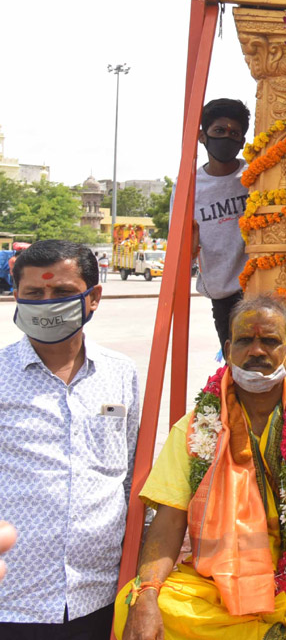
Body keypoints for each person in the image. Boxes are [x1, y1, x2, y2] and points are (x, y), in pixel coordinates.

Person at [116, 295, 286, 640]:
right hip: (223, 574)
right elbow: (169, 520)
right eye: (246, 340)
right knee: (133, 602)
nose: (256, 351)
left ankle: (247, 633)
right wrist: (149, 593)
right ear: (228, 348)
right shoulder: (197, 426)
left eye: (269, 341)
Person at [0, 241, 140, 640]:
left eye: (62, 293)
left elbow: (129, 474)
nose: (47, 302)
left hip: (96, 598)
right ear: (16, 296)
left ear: (93, 297)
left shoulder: (120, 374)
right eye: (34, 294)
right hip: (14, 600)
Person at [179, 98, 251, 348]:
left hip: (259, 286)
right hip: (223, 295)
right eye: (219, 131)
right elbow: (181, 248)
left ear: (242, 142)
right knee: (236, 369)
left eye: (234, 133)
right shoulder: (188, 187)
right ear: (202, 136)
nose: (226, 138)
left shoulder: (254, 176)